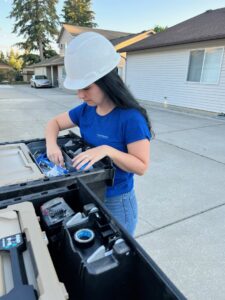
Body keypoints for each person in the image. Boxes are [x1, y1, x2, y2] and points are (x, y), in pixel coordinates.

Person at [45, 32, 153, 236]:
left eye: (86, 87)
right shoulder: (86, 110)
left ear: (106, 81)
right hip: (88, 192)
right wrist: (52, 145)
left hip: (117, 201)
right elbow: (54, 123)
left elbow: (141, 166)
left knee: (117, 253)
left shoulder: (131, 118)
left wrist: (107, 150)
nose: (80, 95)